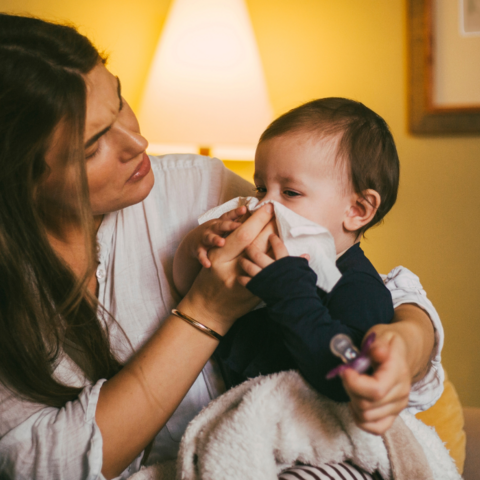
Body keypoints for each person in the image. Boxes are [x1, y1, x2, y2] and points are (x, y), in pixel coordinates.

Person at [0, 13, 442, 480]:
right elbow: (43, 466)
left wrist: (409, 338)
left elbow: (357, 281)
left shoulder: (196, 185)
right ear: (19, 179)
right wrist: (208, 310)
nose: (138, 141)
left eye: (120, 100)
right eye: (92, 146)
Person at [174, 98, 399, 403]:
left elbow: (349, 373)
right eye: (261, 188)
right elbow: (187, 287)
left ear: (357, 210)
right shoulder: (263, 258)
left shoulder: (358, 287)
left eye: (290, 192)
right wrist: (199, 244)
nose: (264, 205)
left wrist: (291, 290)